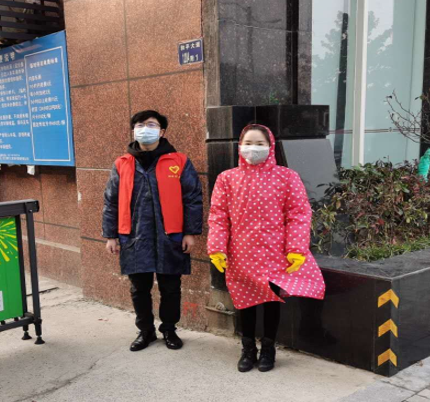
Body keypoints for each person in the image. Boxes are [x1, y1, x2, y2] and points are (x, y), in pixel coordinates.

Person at [207, 124, 326, 372]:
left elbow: (298, 214)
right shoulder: (227, 178)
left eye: (260, 143)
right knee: (245, 302)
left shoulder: (287, 177)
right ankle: (248, 348)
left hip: (274, 253)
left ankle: (268, 349)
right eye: (248, 143)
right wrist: (217, 248)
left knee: (272, 301)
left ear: (270, 146)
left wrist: (296, 248)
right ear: (239, 146)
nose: (253, 148)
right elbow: (218, 216)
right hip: (241, 253)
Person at [102, 110, 203, 352]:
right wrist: (111, 235)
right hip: (134, 235)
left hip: (171, 235)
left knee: (171, 287)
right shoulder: (122, 163)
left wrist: (190, 232)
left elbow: (192, 198)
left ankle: (169, 329)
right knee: (139, 288)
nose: (144, 129)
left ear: (162, 131)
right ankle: (145, 330)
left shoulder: (179, 161)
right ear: (133, 131)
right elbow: (111, 200)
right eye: (139, 125)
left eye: (150, 124)